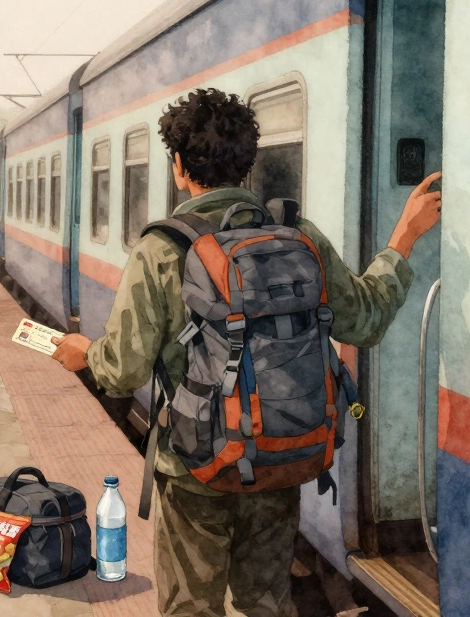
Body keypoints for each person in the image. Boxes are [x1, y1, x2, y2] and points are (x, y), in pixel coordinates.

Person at [50, 88, 442, 617]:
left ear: (179, 166)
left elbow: (122, 373)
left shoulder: (163, 248)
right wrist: (403, 238)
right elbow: (364, 321)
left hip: (196, 470)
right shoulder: (297, 234)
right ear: (248, 165)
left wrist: (82, 353)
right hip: (280, 452)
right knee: (266, 600)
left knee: (192, 606)